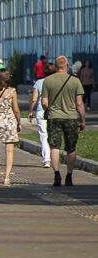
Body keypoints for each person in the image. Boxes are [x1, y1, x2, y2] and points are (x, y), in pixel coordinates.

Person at [41, 56, 86, 187]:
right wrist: (82, 120)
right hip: (71, 118)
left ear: (55, 66)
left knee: (55, 146)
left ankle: (56, 174)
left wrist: (48, 109)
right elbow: (79, 104)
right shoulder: (75, 81)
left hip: (54, 117)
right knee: (71, 148)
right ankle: (69, 175)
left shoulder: (47, 81)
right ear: (67, 65)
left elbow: (44, 102)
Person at [0, 68, 22, 186]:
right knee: (9, 150)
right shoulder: (12, 91)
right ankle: (6, 177)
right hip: (9, 121)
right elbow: (16, 109)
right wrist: (19, 122)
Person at [26, 62, 53, 168]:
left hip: (41, 110)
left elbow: (34, 99)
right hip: (55, 110)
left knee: (43, 135)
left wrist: (30, 111)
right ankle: (54, 157)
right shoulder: (57, 82)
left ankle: (46, 159)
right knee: (53, 134)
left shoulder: (39, 82)